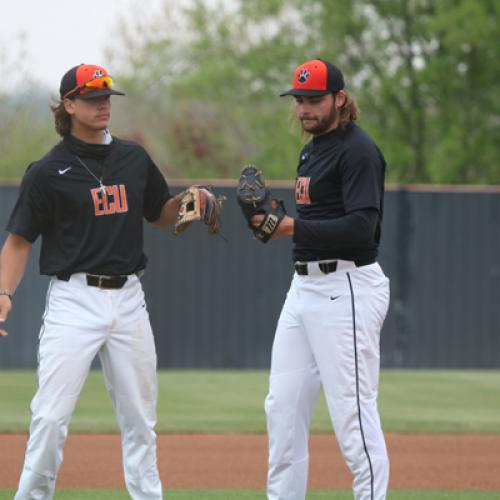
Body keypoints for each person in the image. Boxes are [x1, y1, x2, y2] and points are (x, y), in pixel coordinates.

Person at [0, 63, 184, 499]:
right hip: (74, 299)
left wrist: (189, 206)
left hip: (128, 300)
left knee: (140, 419)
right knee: (50, 417)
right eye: (92, 97)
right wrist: (3, 292)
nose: (103, 105)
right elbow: (19, 242)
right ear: (69, 104)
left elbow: (161, 214)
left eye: (107, 97)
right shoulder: (47, 171)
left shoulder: (133, 158)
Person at [259, 59, 390, 499]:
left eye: (313, 99)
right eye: (299, 99)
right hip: (304, 288)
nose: (304, 108)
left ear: (339, 98)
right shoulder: (312, 148)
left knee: (352, 413)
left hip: (347, 286)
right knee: (282, 407)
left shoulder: (359, 152)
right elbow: (314, 216)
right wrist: (270, 218)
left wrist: (291, 226)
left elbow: (361, 228)